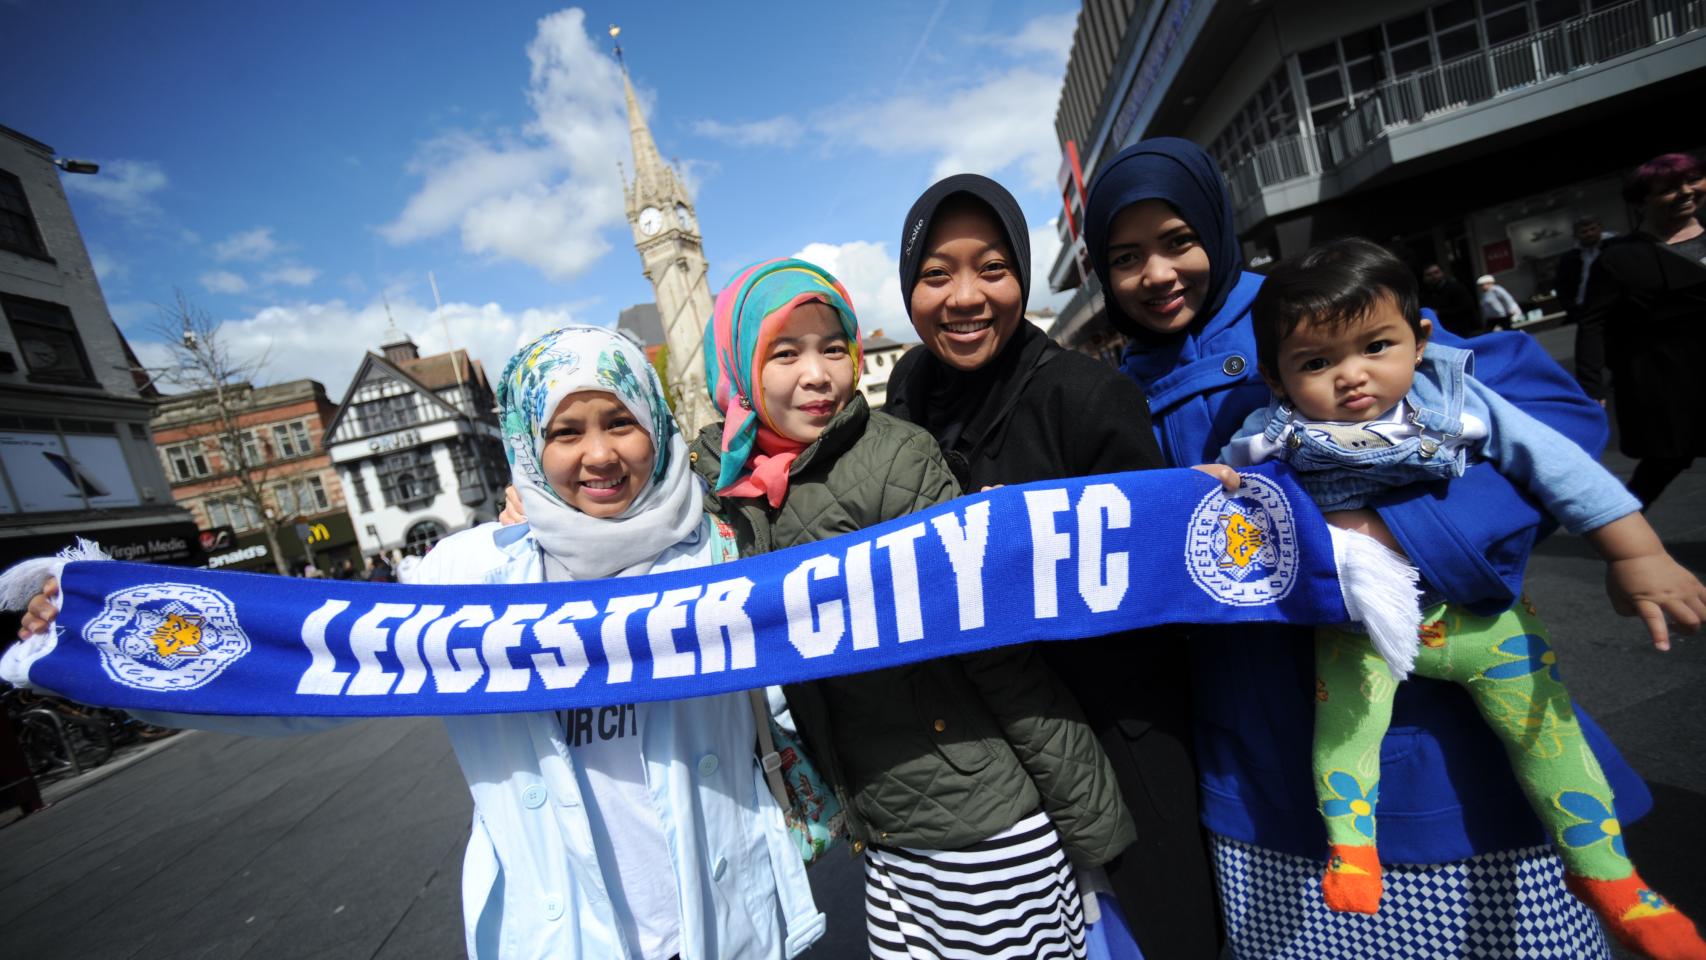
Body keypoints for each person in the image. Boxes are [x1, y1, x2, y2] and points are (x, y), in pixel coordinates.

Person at [17, 326, 825, 960]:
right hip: (572, 932)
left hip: (724, 916)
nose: (600, 454)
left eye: (621, 422)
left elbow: (809, 668)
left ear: (655, 426)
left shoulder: (718, 552)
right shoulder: (469, 577)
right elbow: (299, 667)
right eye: (565, 431)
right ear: (527, 445)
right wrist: (84, 641)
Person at [1084, 136, 1653, 960]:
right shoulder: (1111, 390)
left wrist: (1395, 531)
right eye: (1125, 257)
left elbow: (1536, 411)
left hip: (1427, 727)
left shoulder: (1318, 308)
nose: (1157, 274)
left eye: (1178, 240)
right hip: (1247, 760)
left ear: (1217, 226)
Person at [1194, 237, 1706, 959]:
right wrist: (1212, 486)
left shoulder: (1455, 400)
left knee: (1545, 731)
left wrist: (1636, 552)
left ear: (1421, 339)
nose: (1352, 375)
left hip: (1482, 621)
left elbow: (1553, 462)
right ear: (1277, 380)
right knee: (1344, 734)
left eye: (1376, 347)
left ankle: (1609, 876)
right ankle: (1352, 851)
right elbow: (1213, 492)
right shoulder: (1272, 432)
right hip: (1363, 628)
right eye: (1316, 363)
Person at [691, 257, 1136, 960]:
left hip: (981, 831)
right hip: (881, 834)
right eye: (785, 353)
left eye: (833, 348)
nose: (819, 375)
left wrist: (1089, 817)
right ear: (738, 368)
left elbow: (995, 649)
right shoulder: (727, 491)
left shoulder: (896, 461)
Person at [882, 174, 1220, 958]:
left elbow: (1159, 587)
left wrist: (1047, 540)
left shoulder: (1085, 395)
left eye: (992, 269)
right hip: (985, 765)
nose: (966, 297)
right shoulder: (907, 395)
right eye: (936, 274)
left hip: (1115, 735)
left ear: (1023, 278)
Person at [1574, 152, 1706, 508]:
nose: (1686, 192)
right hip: (1669, 379)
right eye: (1669, 189)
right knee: (1666, 461)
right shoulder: (1619, 258)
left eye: (1693, 181)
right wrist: (1591, 386)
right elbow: (1592, 323)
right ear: (1642, 201)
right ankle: (1620, 528)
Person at [1418, 262, 1479, 337]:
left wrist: (1440, 312)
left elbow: (1466, 308)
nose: (1433, 276)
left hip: (1461, 332)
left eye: (1436, 272)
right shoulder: (1424, 295)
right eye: (1429, 275)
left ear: (1443, 273)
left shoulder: (1456, 288)